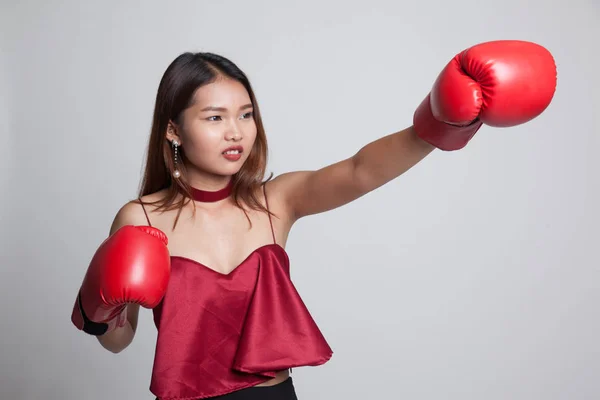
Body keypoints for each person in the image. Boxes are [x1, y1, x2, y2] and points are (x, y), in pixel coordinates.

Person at [70, 40, 557, 399]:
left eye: (245, 114)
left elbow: (360, 171)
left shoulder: (274, 201)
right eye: (215, 117)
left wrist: (438, 122)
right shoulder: (140, 218)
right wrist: (100, 314)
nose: (236, 132)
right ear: (174, 129)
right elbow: (119, 341)